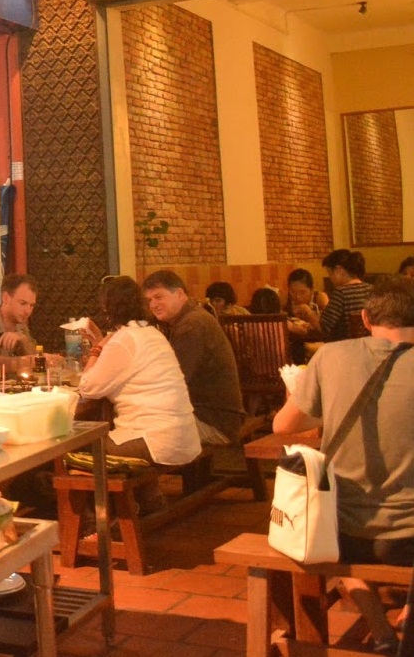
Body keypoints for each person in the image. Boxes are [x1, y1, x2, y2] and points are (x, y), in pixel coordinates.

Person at [274, 278, 414, 652]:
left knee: (327, 536)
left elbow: (283, 426)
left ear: (365, 318)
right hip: (410, 538)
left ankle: (380, 628)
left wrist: (309, 397)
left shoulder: (331, 356)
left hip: (343, 533)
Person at [77, 276, 201, 470]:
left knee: (72, 450)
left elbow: (87, 388)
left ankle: (102, 501)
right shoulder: (151, 333)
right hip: (183, 437)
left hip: (154, 441)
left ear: (107, 309)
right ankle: (151, 500)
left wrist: (97, 347)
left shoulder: (124, 339)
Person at [142, 270, 246, 447]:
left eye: (159, 297)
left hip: (215, 422)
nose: (153, 305)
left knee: (134, 435)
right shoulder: (187, 319)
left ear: (180, 294)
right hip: (214, 416)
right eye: (149, 300)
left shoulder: (192, 325)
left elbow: (173, 381)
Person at [320, 249, 373, 341]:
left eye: (330, 273)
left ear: (338, 269)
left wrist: (308, 313)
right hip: (371, 346)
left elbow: (324, 327)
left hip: (345, 348)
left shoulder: (341, 293)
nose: (330, 278)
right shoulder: (372, 289)